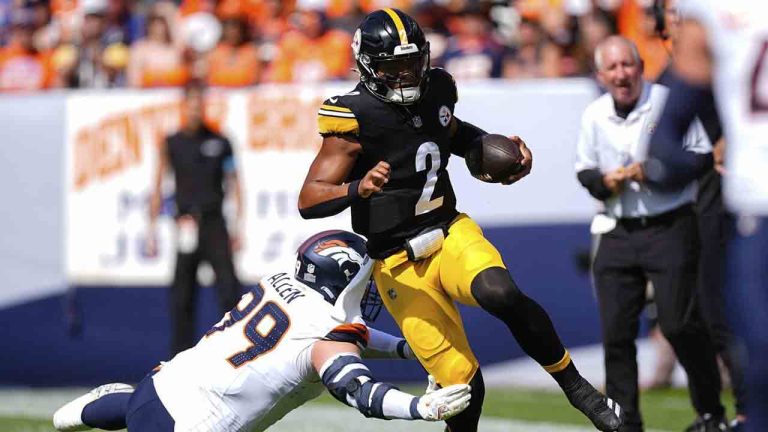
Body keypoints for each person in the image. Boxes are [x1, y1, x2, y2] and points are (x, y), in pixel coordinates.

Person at [298, 8, 623, 432]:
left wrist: (494, 151)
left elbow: (450, 132)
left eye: (412, 64)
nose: (406, 77)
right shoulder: (353, 116)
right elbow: (310, 198)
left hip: (448, 230)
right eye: (394, 69)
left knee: (499, 291)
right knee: (464, 389)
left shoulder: (437, 88)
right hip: (396, 262)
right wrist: (357, 189)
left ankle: (577, 387)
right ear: (369, 67)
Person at [53, 230, 472, 431]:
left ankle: (84, 412)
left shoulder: (281, 282)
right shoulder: (326, 336)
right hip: (191, 427)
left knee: (134, 412)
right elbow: (358, 392)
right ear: (339, 280)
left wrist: (408, 351)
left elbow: (348, 337)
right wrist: (421, 408)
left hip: (161, 384)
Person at [575, 36, 726, 432]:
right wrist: (606, 181)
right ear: (600, 75)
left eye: (628, 65)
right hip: (617, 228)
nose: (622, 74)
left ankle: (710, 412)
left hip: (669, 224)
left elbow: (703, 156)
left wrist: (658, 171)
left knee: (679, 325)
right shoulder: (594, 114)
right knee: (616, 333)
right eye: (613, 68)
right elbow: (585, 171)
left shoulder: (664, 101)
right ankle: (626, 422)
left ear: (641, 66)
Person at [646, 1, 768, 431]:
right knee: (757, 362)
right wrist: (690, 161)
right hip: (755, 210)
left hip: (751, 212)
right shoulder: (715, 14)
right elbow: (666, 139)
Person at [148, 80, 243, 356]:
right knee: (182, 295)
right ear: (183, 107)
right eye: (190, 105)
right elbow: (158, 184)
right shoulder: (172, 142)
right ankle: (180, 356)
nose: (194, 111)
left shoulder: (220, 141)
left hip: (214, 223)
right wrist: (151, 229)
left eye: (199, 105)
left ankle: (234, 351)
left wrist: (239, 225)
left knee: (228, 290)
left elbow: (236, 183)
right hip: (186, 223)